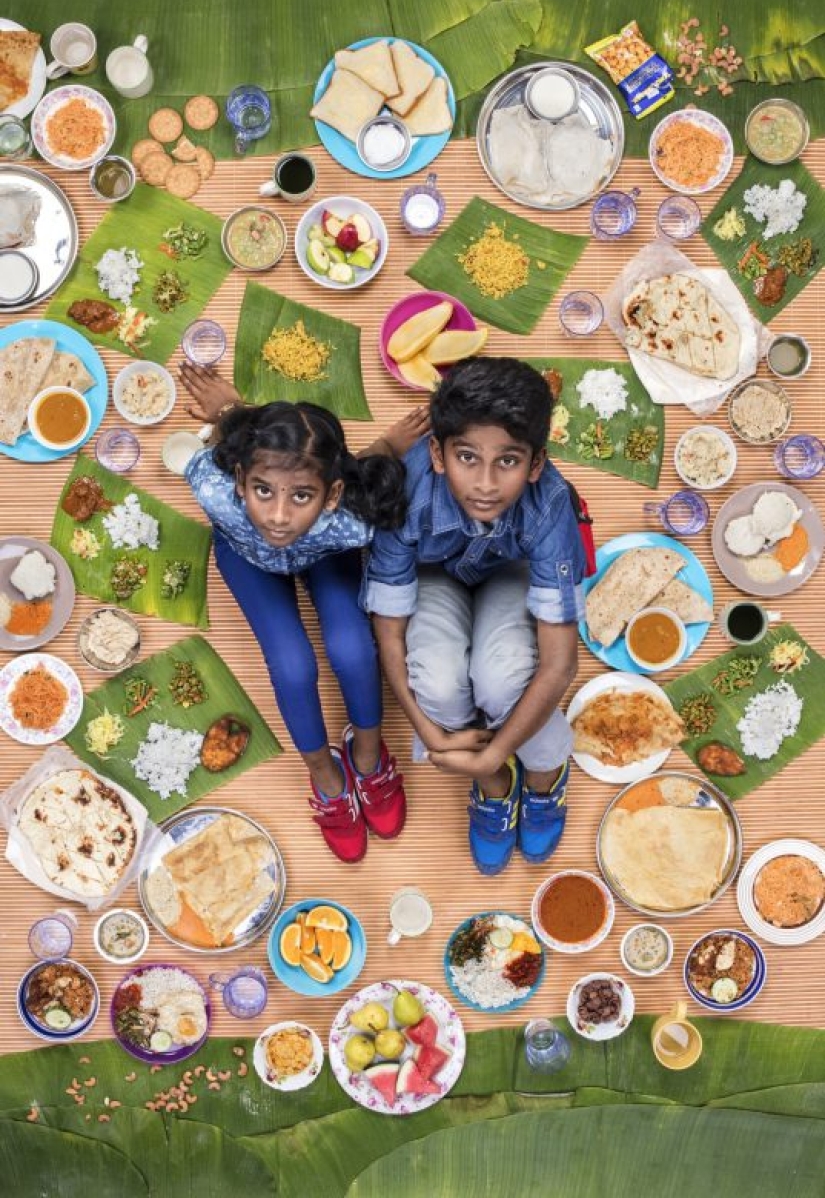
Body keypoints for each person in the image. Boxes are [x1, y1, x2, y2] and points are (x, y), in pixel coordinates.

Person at [179, 362, 427, 864]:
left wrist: (388, 447)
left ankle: (367, 753)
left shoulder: (352, 520)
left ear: (330, 495)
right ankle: (324, 772)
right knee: (292, 665)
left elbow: (357, 472)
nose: (277, 515)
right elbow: (234, 449)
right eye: (262, 490)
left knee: (354, 647)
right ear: (240, 479)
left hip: (324, 553)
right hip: (246, 557)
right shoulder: (211, 487)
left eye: (302, 496)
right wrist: (229, 411)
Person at [364, 357, 586, 876]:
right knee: (438, 683)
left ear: (534, 464)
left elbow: (560, 665)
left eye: (507, 461)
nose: (485, 483)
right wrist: (427, 730)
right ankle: (493, 786)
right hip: (434, 573)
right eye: (468, 457)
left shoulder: (549, 503)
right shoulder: (406, 489)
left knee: (505, 674)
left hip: (510, 572)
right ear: (438, 454)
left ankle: (541, 776)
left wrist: (497, 749)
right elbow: (389, 628)